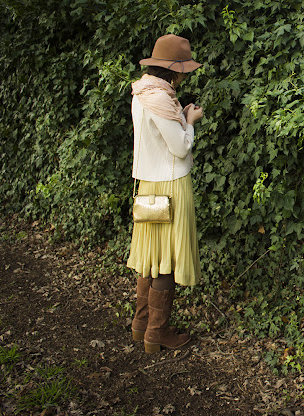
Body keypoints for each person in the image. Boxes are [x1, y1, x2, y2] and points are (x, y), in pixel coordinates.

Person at [126, 34, 203, 354]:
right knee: (166, 261)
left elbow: (156, 138)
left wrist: (179, 116)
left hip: (149, 185)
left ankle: (140, 325)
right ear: (175, 70)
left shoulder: (142, 93)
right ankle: (156, 334)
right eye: (184, 70)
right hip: (171, 185)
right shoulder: (161, 99)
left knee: (151, 258)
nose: (185, 76)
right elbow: (180, 147)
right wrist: (190, 121)